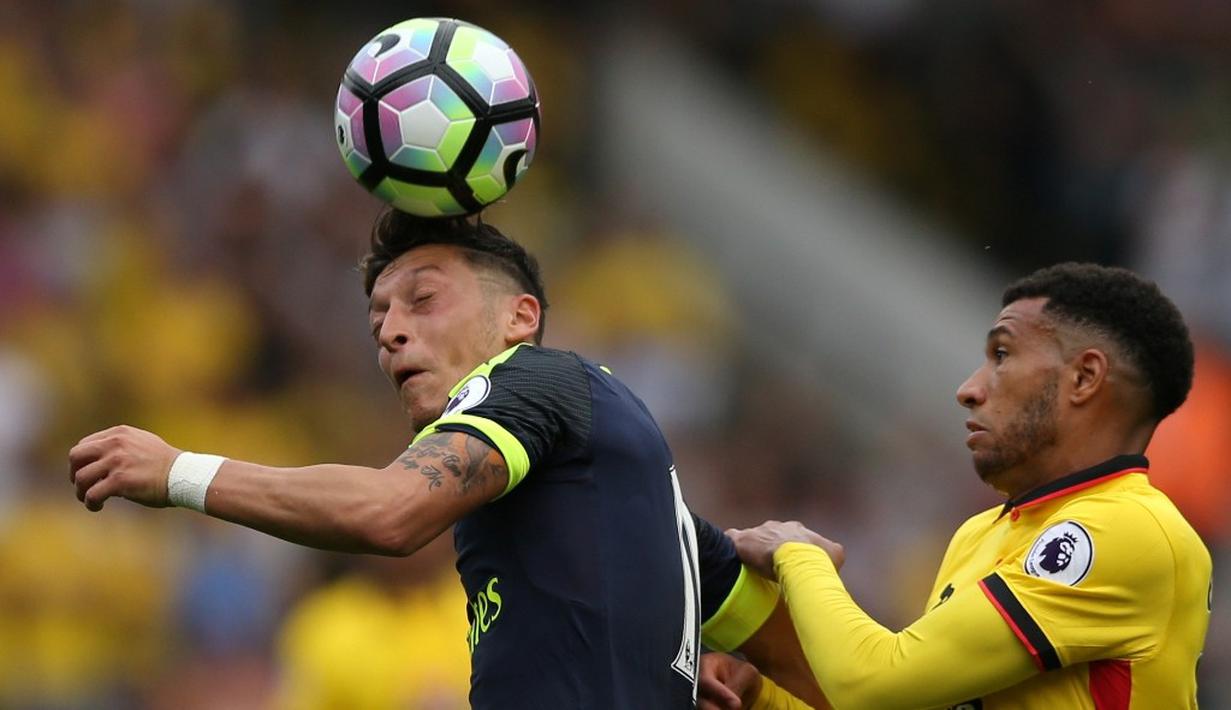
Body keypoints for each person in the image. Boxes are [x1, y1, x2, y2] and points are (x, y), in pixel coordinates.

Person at [69, 210, 821, 709]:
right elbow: (798, 664)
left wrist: (178, 471)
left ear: (518, 317)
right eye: (378, 318)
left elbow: (387, 512)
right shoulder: (624, 504)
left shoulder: (530, 379)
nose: (390, 332)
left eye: (421, 300)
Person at [701, 263, 1212, 709]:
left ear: (1084, 378)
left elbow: (873, 681)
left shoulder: (1134, 529)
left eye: (1003, 354)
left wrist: (798, 555)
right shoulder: (980, 534)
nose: (968, 389)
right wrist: (762, 700)